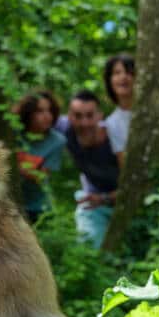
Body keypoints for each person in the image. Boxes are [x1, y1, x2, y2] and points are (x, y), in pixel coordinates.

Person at [59, 90, 119, 249]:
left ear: (100, 116)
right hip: (92, 202)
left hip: (120, 199)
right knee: (88, 248)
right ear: (69, 116)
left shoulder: (115, 137)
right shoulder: (64, 128)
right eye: (78, 116)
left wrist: (104, 198)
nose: (84, 123)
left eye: (90, 115)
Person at [12, 90, 66, 223]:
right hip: (11, 206)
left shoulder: (57, 141)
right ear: (28, 113)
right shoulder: (13, 133)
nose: (47, 116)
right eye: (40, 111)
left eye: (49, 111)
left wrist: (15, 167)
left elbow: (41, 176)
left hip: (39, 209)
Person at [103, 52, 135, 163]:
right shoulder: (111, 123)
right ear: (109, 80)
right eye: (117, 73)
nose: (123, 77)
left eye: (128, 72)